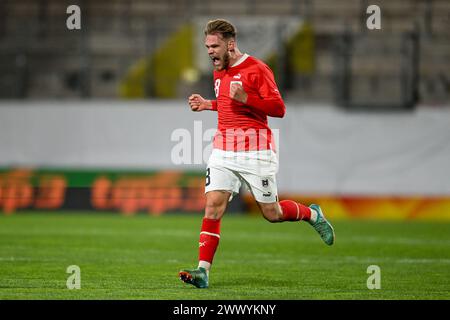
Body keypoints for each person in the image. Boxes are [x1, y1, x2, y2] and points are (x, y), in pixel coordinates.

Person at [179, 19, 335, 289]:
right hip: (223, 150)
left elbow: (278, 108)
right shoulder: (219, 70)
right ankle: (203, 272)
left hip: (256, 150)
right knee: (213, 206)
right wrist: (208, 105)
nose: (210, 52)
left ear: (230, 44)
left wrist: (247, 99)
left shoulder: (257, 69)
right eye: (207, 46)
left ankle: (313, 215)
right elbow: (229, 104)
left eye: (214, 46)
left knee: (271, 213)